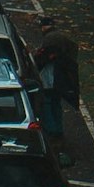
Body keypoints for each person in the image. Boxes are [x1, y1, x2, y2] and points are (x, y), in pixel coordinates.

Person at [34, 18, 81, 146]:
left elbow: (43, 58)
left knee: (47, 103)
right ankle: (58, 128)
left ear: (44, 27)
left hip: (50, 78)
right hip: (61, 78)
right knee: (56, 104)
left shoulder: (50, 39)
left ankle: (52, 129)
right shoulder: (61, 37)